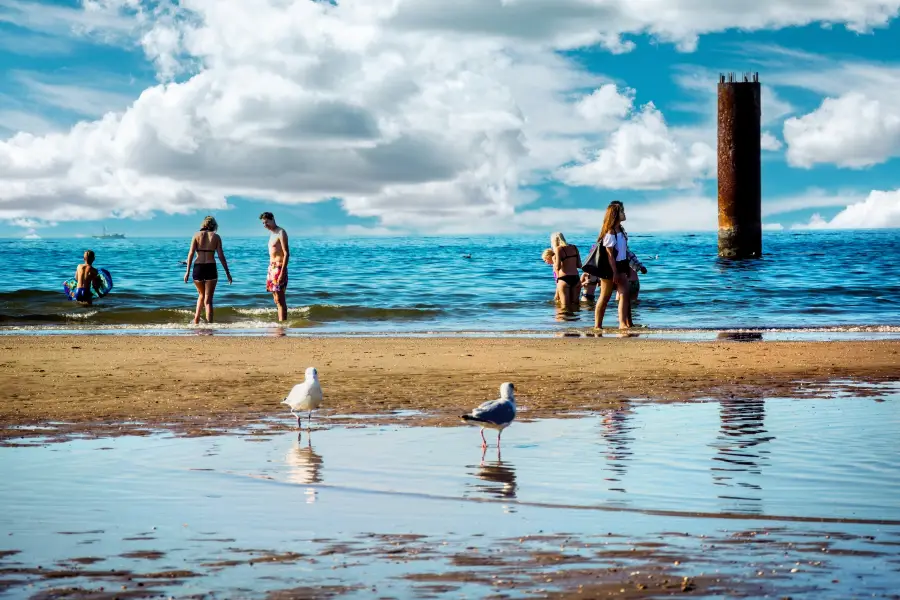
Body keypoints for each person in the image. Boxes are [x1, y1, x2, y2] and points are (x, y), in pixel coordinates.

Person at [184, 216, 232, 324]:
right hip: (210, 267)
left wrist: (187, 272)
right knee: (208, 299)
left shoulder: (196, 235)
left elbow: (191, 253)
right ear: (214, 225)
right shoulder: (216, 237)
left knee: (201, 295)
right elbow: (221, 256)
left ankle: (196, 320)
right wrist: (227, 273)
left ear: (203, 224)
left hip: (198, 267)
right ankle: (209, 324)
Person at [594, 202, 632, 329]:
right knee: (605, 296)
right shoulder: (610, 232)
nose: (624, 213)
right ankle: (597, 326)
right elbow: (610, 255)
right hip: (610, 268)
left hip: (622, 265)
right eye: (622, 211)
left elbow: (624, 251)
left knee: (625, 294)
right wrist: (614, 271)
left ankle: (622, 324)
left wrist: (629, 268)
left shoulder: (621, 230)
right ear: (615, 215)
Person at [260, 211, 290, 322]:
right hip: (271, 268)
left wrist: (282, 272)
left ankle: (283, 325)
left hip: (279, 267)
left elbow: (286, 253)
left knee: (280, 299)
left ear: (272, 219)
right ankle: (281, 322)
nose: (265, 225)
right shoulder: (272, 234)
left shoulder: (281, 232)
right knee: (276, 299)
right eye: (263, 223)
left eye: (266, 222)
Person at [550, 232, 581, 312]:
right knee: (575, 305)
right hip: (576, 278)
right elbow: (579, 265)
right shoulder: (574, 247)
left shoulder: (558, 249)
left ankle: (565, 324)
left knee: (565, 307)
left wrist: (554, 260)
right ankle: (575, 322)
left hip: (564, 279)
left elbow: (558, 267)